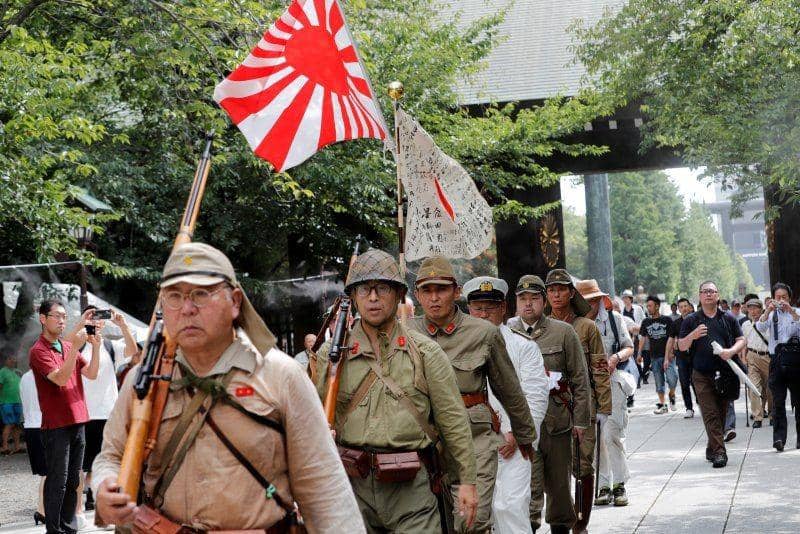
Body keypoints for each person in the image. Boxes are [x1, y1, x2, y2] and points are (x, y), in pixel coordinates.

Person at [93, 242, 364, 532]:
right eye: (174, 296)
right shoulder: (143, 379)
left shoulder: (281, 376)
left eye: (201, 293)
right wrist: (103, 486)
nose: (187, 308)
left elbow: (324, 487)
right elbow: (111, 456)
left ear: (235, 301)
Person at [313, 248, 478, 533]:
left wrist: (467, 481)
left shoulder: (425, 353)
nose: (373, 298)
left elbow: (453, 422)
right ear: (353, 296)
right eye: (364, 289)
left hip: (412, 489)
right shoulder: (333, 355)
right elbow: (311, 416)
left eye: (383, 288)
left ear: (399, 294)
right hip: (353, 487)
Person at [411, 256, 536, 534]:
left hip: (474, 437)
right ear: (417, 295)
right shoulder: (406, 334)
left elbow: (509, 389)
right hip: (425, 442)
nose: (434, 298)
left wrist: (525, 434)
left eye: (441, 290)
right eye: (427, 291)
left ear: (455, 292)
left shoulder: (483, 333)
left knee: (472, 521)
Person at [463, 276, 548, 534]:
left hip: (512, 444)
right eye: (478, 307)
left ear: (503, 308)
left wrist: (516, 434)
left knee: (509, 508)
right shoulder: (457, 346)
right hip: (470, 444)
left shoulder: (524, 346)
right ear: (469, 309)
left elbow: (535, 397)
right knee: (471, 514)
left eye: (491, 306)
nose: (484, 313)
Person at [507, 275, 591, 534]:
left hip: (557, 422)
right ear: (516, 302)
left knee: (559, 487)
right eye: (523, 298)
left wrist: (580, 421)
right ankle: (528, 526)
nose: (528, 304)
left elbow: (580, 377)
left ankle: (561, 528)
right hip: (521, 425)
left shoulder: (563, 332)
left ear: (543, 301)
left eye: (534, 298)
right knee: (526, 487)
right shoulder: (506, 331)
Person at [544, 268, 611, 534]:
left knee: (583, 464)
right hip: (551, 407)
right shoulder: (541, 327)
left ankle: (580, 523)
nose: (556, 294)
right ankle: (562, 519)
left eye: (561, 289)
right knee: (556, 467)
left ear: (571, 293)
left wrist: (604, 408)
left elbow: (600, 369)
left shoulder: (587, 327)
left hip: (584, 403)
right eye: (551, 290)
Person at [28, 299, 100, 534]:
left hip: (78, 420)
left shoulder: (66, 346)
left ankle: (69, 528)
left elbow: (91, 373)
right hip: (56, 425)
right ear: (43, 318)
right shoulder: (38, 351)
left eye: (64, 317)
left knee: (73, 481)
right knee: (57, 482)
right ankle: (54, 530)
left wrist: (96, 346)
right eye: (57, 316)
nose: (61, 321)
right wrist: (75, 349)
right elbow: (59, 378)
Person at [63, 306, 137, 514]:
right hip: (82, 411)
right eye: (91, 318)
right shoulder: (77, 346)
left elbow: (132, 352)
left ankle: (94, 496)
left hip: (109, 411)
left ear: (103, 322)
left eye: (98, 318)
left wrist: (122, 325)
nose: (95, 322)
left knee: (103, 458)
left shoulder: (110, 346)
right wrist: (81, 324)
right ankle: (76, 504)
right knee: (80, 462)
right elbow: (64, 346)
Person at [577, 280, 635, 508]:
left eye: (594, 300)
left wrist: (615, 358)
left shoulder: (614, 319)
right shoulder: (575, 323)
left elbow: (628, 347)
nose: (591, 304)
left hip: (611, 382)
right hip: (585, 386)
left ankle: (619, 484)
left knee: (612, 433)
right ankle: (602, 484)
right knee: (595, 438)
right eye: (586, 301)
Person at [678, 281, 745, 468]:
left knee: (722, 413)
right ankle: (719, 453)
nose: (708, 294)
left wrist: (730, 351)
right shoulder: (691, 320)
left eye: (712, 291)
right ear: (699, 296)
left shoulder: (728, 318)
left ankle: (711, 447)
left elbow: (742, 339)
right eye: (705, 292)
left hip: (724, 373)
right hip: (701, 373)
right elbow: (681, 345)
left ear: (717, 295)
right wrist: (693, 335)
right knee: (710, 413)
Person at [755, 282, 800, 451]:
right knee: (778, 402)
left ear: (790, 298)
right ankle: (779, 439)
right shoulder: (771, 314)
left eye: (784, 297)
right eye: (778, 297)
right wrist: (767, 310)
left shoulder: (797, 312)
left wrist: (792, 312)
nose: (781, 300)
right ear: (773, 298)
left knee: (798, 401)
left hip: (796, 361)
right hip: (776, 360)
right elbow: (759, 326)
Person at [640, 295, 678, 414]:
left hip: (668, 356)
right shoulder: (646, 321)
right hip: (654, 357)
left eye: (650, 306)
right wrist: (639, 353)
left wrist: (672, 352)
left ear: (657, 306)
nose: (648, 308)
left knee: (673, 378)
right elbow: (643, 338)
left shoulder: (666, 320)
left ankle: (672, 394)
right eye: (647, 306)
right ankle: (662, 405)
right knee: (659, 382)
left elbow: (673, 337)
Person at [20, 369, 47, 525]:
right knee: (50, 471)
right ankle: (41, 509)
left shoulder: (25, 376)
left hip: (30, 426)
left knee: (46, 471)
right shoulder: (46, 375)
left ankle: (43, 509)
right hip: (44, 426)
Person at [740, 298, 771, 428]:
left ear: (761, 309)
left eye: (755, 308)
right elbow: (743, 342)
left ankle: (772, 414)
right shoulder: (745, 325)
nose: (753, 311)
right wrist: (743, 357)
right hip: (752, 356)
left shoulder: (768, 322)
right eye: (750, 308)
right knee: (754, 387)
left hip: (768, 357)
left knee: (770, 389)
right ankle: (758, 416)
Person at [674, 298, 696, 418]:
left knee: (696, 381)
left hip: (695, 356)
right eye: (681, 307)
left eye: (685, 306)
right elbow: (671, 339)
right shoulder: (676, 323)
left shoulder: (696, 321)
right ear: (679, 309)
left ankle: (701, 402)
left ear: (690, 307)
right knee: (684, 382)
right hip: (681, 357)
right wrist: (668, 356)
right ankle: (689, 408)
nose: (684, 308)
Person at [0, 353, 24, 454]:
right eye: (10, 358)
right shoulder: (2, 371)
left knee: (17, 425)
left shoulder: (18, 372)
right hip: (6, 402)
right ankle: (4, 447)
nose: (13, 360)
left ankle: (17, 447)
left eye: (14, 358)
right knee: (9, 424)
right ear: (6, 360)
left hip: (18, 402)